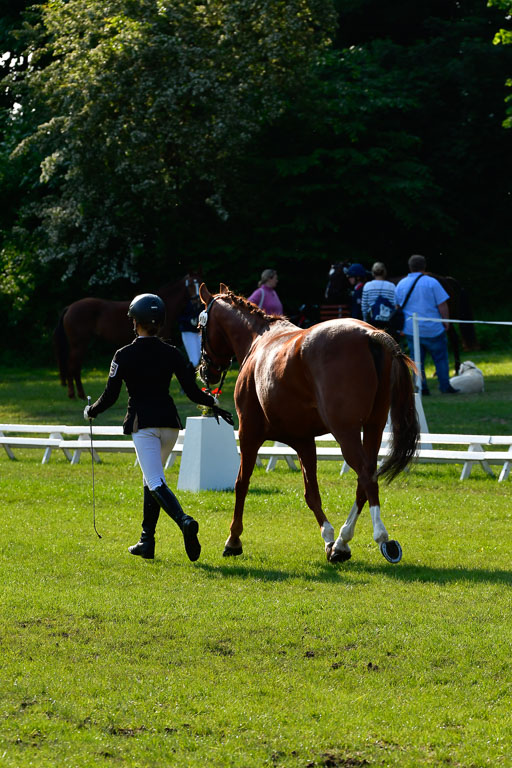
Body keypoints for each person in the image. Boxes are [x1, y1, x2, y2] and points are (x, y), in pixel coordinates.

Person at [83, 293, 233, 561]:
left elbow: (110, 396)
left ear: (134, 322)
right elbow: (191, 391)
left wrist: (91, 411)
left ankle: (184, 521)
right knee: (151, 480)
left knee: (154, 481)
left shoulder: (123, 355)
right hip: (170, 427)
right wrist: (212, 402)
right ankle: (146, 541)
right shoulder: (172, 353)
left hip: (145, 426)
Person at [395, 254, 458, 395]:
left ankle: (421, 387)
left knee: (416, 360)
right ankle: (445, 386)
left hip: (412, 329)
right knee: (441, 358)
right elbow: (442, 304)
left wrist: (402, 327)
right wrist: (445, 321)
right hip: (433, 328)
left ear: (410, 267)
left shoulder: (401, 284)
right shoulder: (432, 283)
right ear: (424, 266)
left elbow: (398, 307)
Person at [361, 262, 397, 334]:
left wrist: (365, 321)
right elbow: (394, 305)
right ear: (384, 272)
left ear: (373, 272)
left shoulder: (367, 286)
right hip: (387, 322)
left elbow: (364, 307)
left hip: (372, 322)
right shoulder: (391, 286)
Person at [178, 295, 201, 367]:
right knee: (194, 360)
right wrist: (189, 320)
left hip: (199, 332)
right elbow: (179, 318)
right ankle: (189, 375)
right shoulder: (184, 305)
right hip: (188, 332)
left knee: (202, 357)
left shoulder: (201, 305)